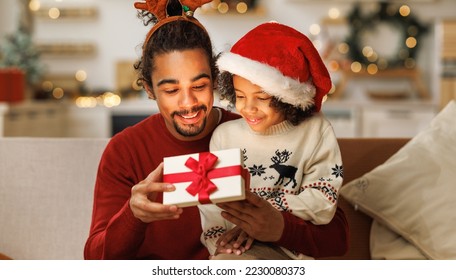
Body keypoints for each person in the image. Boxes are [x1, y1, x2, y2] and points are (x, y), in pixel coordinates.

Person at [84, 0, 349, 260]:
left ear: (215, 80)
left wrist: (280, 229)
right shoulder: (125, 151)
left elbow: (338, 238)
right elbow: (95, 259)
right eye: (171, 90)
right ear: (149, 89)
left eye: (199, 86)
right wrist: (134, 216)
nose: (188, 103)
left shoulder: (254, 130)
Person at [198, 22, 344, 260]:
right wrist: (220, 243)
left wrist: (265, 218)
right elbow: (212, 205)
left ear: (286, 97)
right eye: (241, 96)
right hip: (233, 251)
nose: (248, 108)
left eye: (262, 97)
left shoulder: (316, 131)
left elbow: (323, 200)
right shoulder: (224, 136)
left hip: (292, 251)